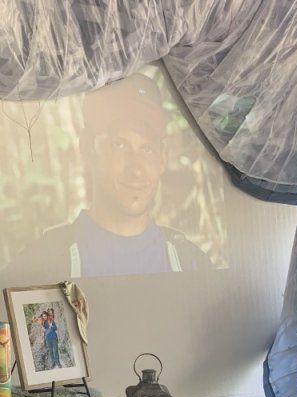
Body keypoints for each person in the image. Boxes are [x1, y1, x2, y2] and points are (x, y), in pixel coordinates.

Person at [19, 73, 209, 278]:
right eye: (119, 144)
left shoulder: (191, 262)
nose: (136, 169)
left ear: (162, 158)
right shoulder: (42, 264)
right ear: (87, 148)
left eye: (147, 148)